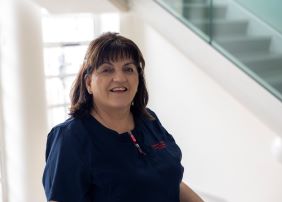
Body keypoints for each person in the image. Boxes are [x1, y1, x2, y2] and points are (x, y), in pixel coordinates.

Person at [42, 32, 204, 202]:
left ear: (138, 79)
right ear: (89, 83)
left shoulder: (149, 120)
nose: (119, 78)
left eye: (128, 69)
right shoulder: (71, 137)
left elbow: (170, 182)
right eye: (107, 70)